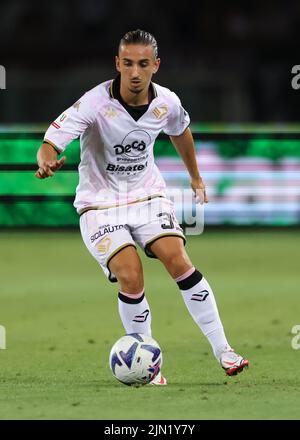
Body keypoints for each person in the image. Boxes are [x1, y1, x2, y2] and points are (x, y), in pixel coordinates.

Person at [36, 29, 249, 385]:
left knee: (178, 260)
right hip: (100, 204)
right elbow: (52, 139)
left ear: (156, 66)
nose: (136, 72)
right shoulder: (93, 102)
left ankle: (224, 350)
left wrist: (195, 177)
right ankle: (150, 367)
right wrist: (46, 160)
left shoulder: (166, 101)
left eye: (144, 64)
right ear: (118, 64)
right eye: (129, 63)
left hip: (148, 195)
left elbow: (181, 130)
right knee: (131, 275)